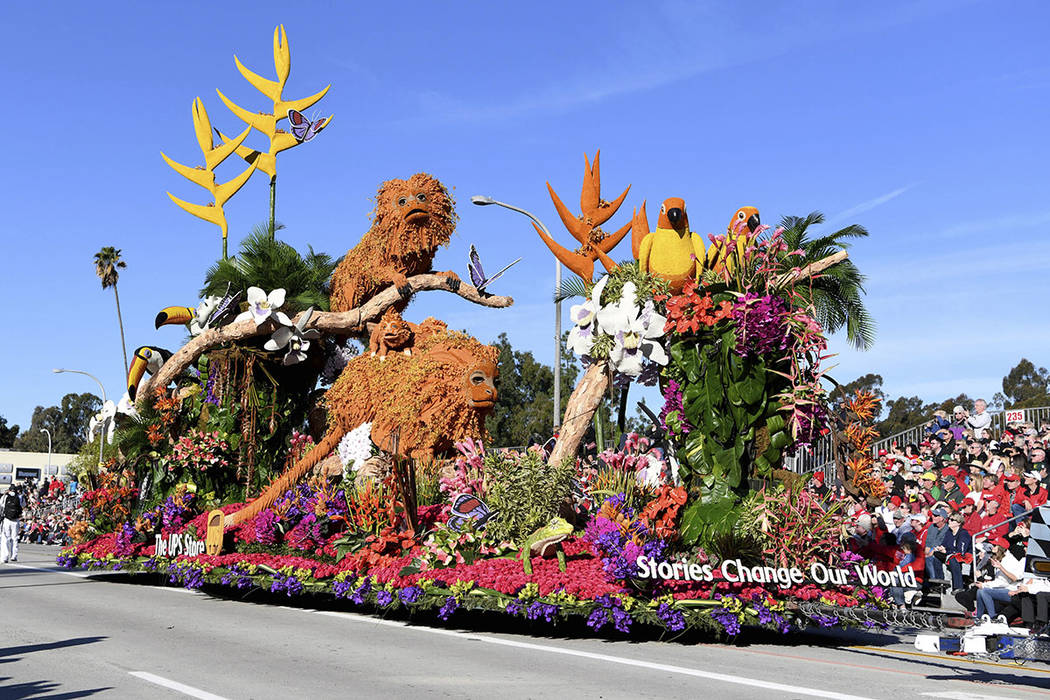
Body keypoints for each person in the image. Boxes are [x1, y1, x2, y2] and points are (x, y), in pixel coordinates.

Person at [0, 487, 23, 563]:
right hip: (15, 520)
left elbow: (1, 505)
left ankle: (5, 557)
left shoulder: (6, 497)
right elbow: (23, 505)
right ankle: (14, 556)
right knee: (15, 538)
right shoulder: (19, 497)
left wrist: (4, 495)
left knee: (5, 538)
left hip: (7, 519)